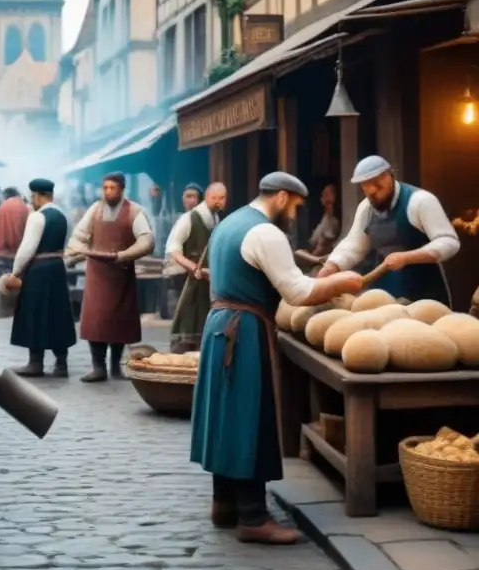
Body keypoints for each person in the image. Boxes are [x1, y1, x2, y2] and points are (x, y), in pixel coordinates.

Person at [190, 172, 364, 544]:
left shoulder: (230, 222)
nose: (295, 214)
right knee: (249, 419)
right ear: (282, 197)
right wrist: (341, 282)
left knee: (228, 419)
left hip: (221, 324)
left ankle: (224, 504)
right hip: (245, 330)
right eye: (296, 206)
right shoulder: (266, 232)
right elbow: (297, 291)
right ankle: (253, 517)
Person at [316, 156, 459, 305]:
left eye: (378, 187)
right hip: (384, 292)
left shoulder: (421, 201)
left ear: (389, 175)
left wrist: (407, 257)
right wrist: (331, 266)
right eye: (368, 192)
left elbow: (449, 242)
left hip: (424, 292)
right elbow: (354, 244)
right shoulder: (366, 208)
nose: (374, 196)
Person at [67, 172, 154, 382]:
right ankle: (98, 367)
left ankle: (115, 366)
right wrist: (75, 255)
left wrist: (124, 255)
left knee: (119, 322)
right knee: (95, 321)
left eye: (112, 188)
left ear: (122, 189)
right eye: (105, 188)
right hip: (97, 275)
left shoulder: (134, 211)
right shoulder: (94, 210)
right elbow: (79, 237)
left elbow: (147, 241)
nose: (107, 192)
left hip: (121, 274)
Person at [6, 178, 76, 378]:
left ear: (37, 195)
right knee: (58, 314)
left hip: (38, 270)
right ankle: (61, 363)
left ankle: (35, 362)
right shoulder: (63, 216)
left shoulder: (37, 217)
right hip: (57, 268)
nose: (31, 201)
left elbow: (27, 248)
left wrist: (15, 271)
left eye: (32, 197)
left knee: (35, 313)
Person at [165, 182, 228, 354]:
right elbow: (173, 249)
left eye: (222, 198)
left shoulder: (216, 219)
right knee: (188, 318)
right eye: (215, 198)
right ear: (207, 197)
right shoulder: (188, 218)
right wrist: (193, 268)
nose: (219, 202)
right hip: (190, 278)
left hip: (210, 279)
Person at [0, 187, 30, 280]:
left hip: (0, 254)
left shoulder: (1, 207)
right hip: (17, 255)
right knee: (17, 288)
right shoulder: (23, 207)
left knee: (3, 288)